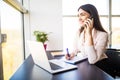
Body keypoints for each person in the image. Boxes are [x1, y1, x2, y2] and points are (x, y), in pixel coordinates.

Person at [65, 4, 115, 78]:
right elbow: (76, 49)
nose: (79, 18)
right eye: (78, 15)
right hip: (87, 66)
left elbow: (92, 60)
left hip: (100, 68)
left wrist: (89, 34)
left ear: (91, 16)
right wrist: (71, 54)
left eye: (82, 15)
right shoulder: (79, 32)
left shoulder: (103, 34)